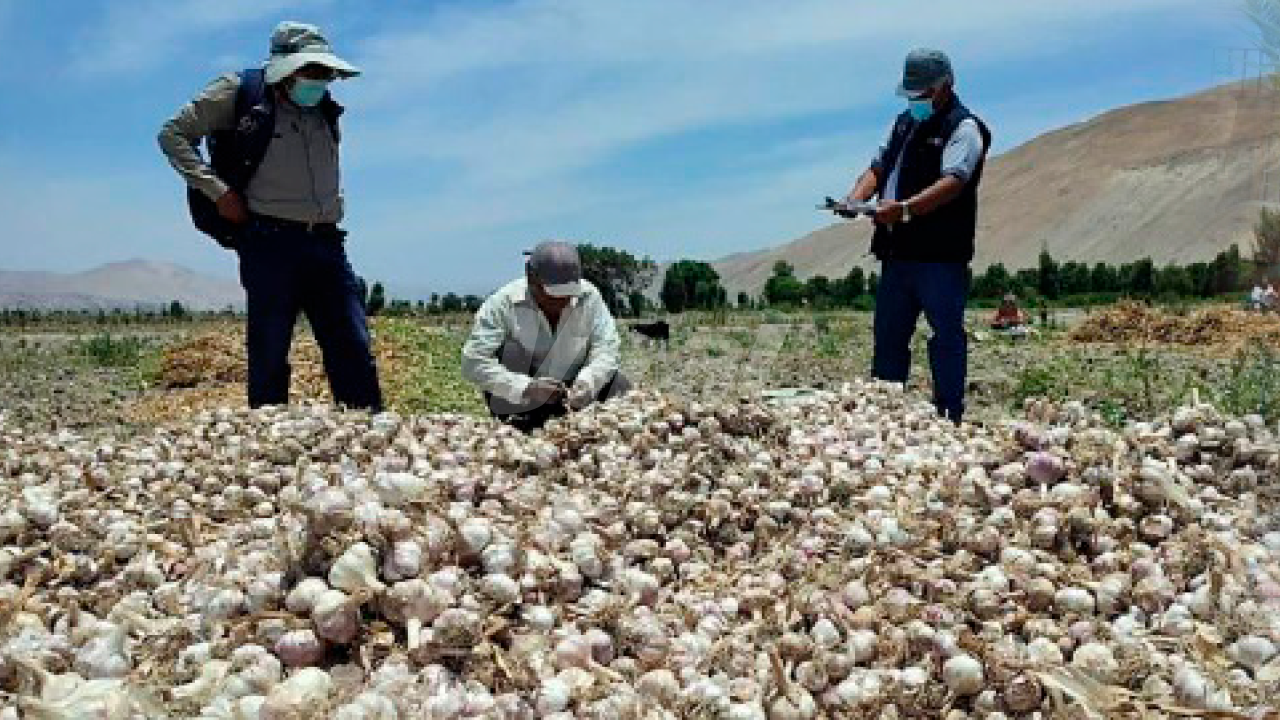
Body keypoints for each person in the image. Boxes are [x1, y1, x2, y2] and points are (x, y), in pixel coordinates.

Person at [158, 22, 383, 411]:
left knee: (351, 343)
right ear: (285, 69)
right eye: (309, 70)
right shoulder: (238, 92)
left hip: (327, 241)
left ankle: (368, 426)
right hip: (269, 242)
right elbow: (173, 135)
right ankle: (267, 432)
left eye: (324, 72)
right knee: (269, 349)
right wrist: (218, 192)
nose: (318, 79)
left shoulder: (324, 108)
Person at [841, 49, 991, 424]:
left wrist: (905, 210)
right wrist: (856, 198)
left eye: (923, 94)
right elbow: (878, 166)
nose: (916, 102)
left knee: (945, 336)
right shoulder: (904, 124)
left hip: (939, 256)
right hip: (897, 254)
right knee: (889, 337)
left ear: (945, 86)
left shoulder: (963, 128)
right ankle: (886, 413)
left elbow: (953, 182)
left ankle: (949, 416)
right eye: (912, 95)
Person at [462, 241, 631, 433]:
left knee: (619, 384)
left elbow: (607, 348)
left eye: (567, 294)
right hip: (526, 393)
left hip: (576, 390)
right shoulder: (503, 303)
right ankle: (520, 427)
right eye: (552, 294)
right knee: (511, 352)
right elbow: (473, 361)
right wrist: (527, 387)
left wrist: (588, 382)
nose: (560, 301)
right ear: (530, 278)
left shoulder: (589, 297)